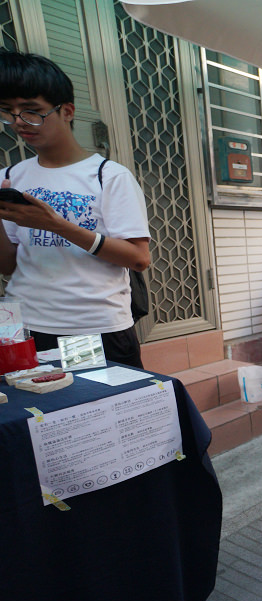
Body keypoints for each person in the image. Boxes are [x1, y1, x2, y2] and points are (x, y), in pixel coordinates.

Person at [0, 51, 150, 367]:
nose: (18, 122)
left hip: (88, 327)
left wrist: (57, 224)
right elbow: (8, 265)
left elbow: (138, 258)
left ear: (67, 111)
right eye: (8, 112)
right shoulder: (11, 177)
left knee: (92, 410)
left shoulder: (108, 176)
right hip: (23, 325)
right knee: (38, 412)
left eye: (31, 111)